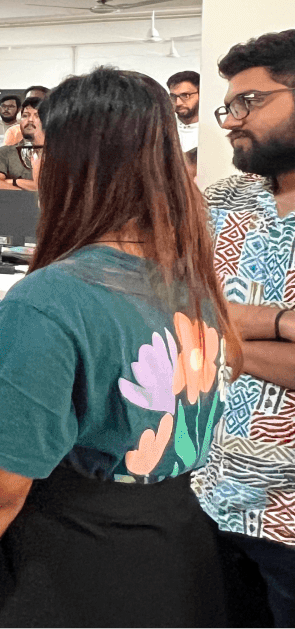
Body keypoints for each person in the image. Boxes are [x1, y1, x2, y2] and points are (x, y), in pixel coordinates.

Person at [0, 67, 236, 629]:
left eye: (39, 149)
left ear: (75, 162)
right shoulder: (191, 276)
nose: (37, 165)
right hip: (180, 555)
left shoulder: (50, 300)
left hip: (77, 570)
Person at [195, 31, 295, 628]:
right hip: (204, 493)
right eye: (228, 106)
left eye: (250, 103)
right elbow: (180, 312)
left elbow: (207, 324)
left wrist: (223, 336)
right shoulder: (225, 198)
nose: (232, 121)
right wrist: (282, 324)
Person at [0, 97, 40, 190]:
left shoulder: (58, 153)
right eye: (25, 115)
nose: (30, 120)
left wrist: (14, 181)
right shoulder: (5, 152)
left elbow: (53, 189)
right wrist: (31, 193)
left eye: (37, 116)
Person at [167, 69, 200, 153]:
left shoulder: (212, 131)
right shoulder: (163, 128)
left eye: (186, 95)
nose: (178, 103)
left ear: (200, 94)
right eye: (173, 96)